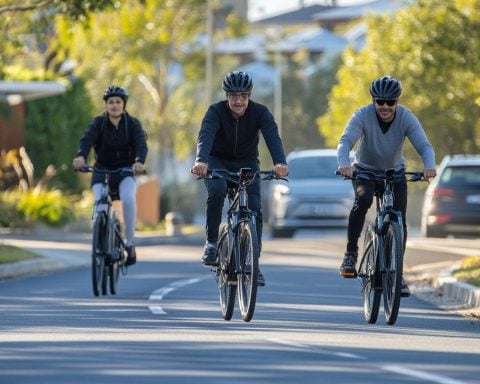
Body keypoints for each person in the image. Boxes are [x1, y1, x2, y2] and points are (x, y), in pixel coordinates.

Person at [337, 75, 436, 296]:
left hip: (394, 174)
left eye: (390, 102)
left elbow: (424, 145)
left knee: (399, 220)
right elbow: (345, 141)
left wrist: (430, 166)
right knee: (363, 200)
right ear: (373, 101)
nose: (385, 106)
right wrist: (344, 163)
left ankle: (397, 273)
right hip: (364, 171)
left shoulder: (406, 117)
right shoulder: (362, 115)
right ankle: (351, 253)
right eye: (380, 101)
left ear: (397, 102)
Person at [191, 71, 289, 286]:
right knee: (216, 190)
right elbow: (205, 136)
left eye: (243, 96)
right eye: (234, 96)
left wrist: (280, 162)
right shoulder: (215, 112)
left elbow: (272, 137)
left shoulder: (260, 112)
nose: (238, 101)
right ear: (227, 96)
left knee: (254, 208)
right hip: (217, 162)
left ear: (249, 96)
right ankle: (212, 243)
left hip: (247, 163)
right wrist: (201, 161)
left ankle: (253, 263)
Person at [72, 85, 148, 266]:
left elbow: (141, 144)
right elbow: (86, 140)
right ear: (106, 105)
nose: (114, 105)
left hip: (125, 171)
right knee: (100, 207)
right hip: (101, 171)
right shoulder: (97, 123)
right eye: (111, 102)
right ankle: (101, 245)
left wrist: (138, 161)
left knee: (128, 199)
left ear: (124, 105)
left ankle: (129, 244)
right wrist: (81, 156)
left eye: (118, 102)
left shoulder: (132, 124)